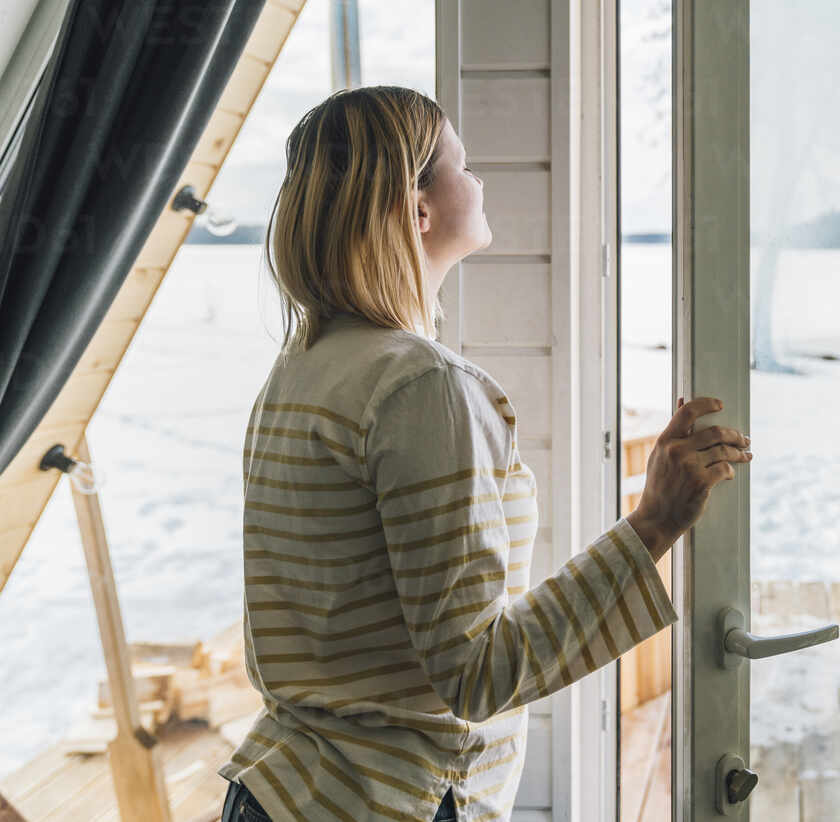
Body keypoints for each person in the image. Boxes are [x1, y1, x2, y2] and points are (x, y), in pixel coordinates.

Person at [215, 85, 752, 822]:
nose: (480, 181)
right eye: (461, 165)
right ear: (419, 209)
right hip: (379, 804)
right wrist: (653, 523)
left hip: (284, 790)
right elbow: (478, 672)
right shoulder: (421, 387)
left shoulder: (302, 367)